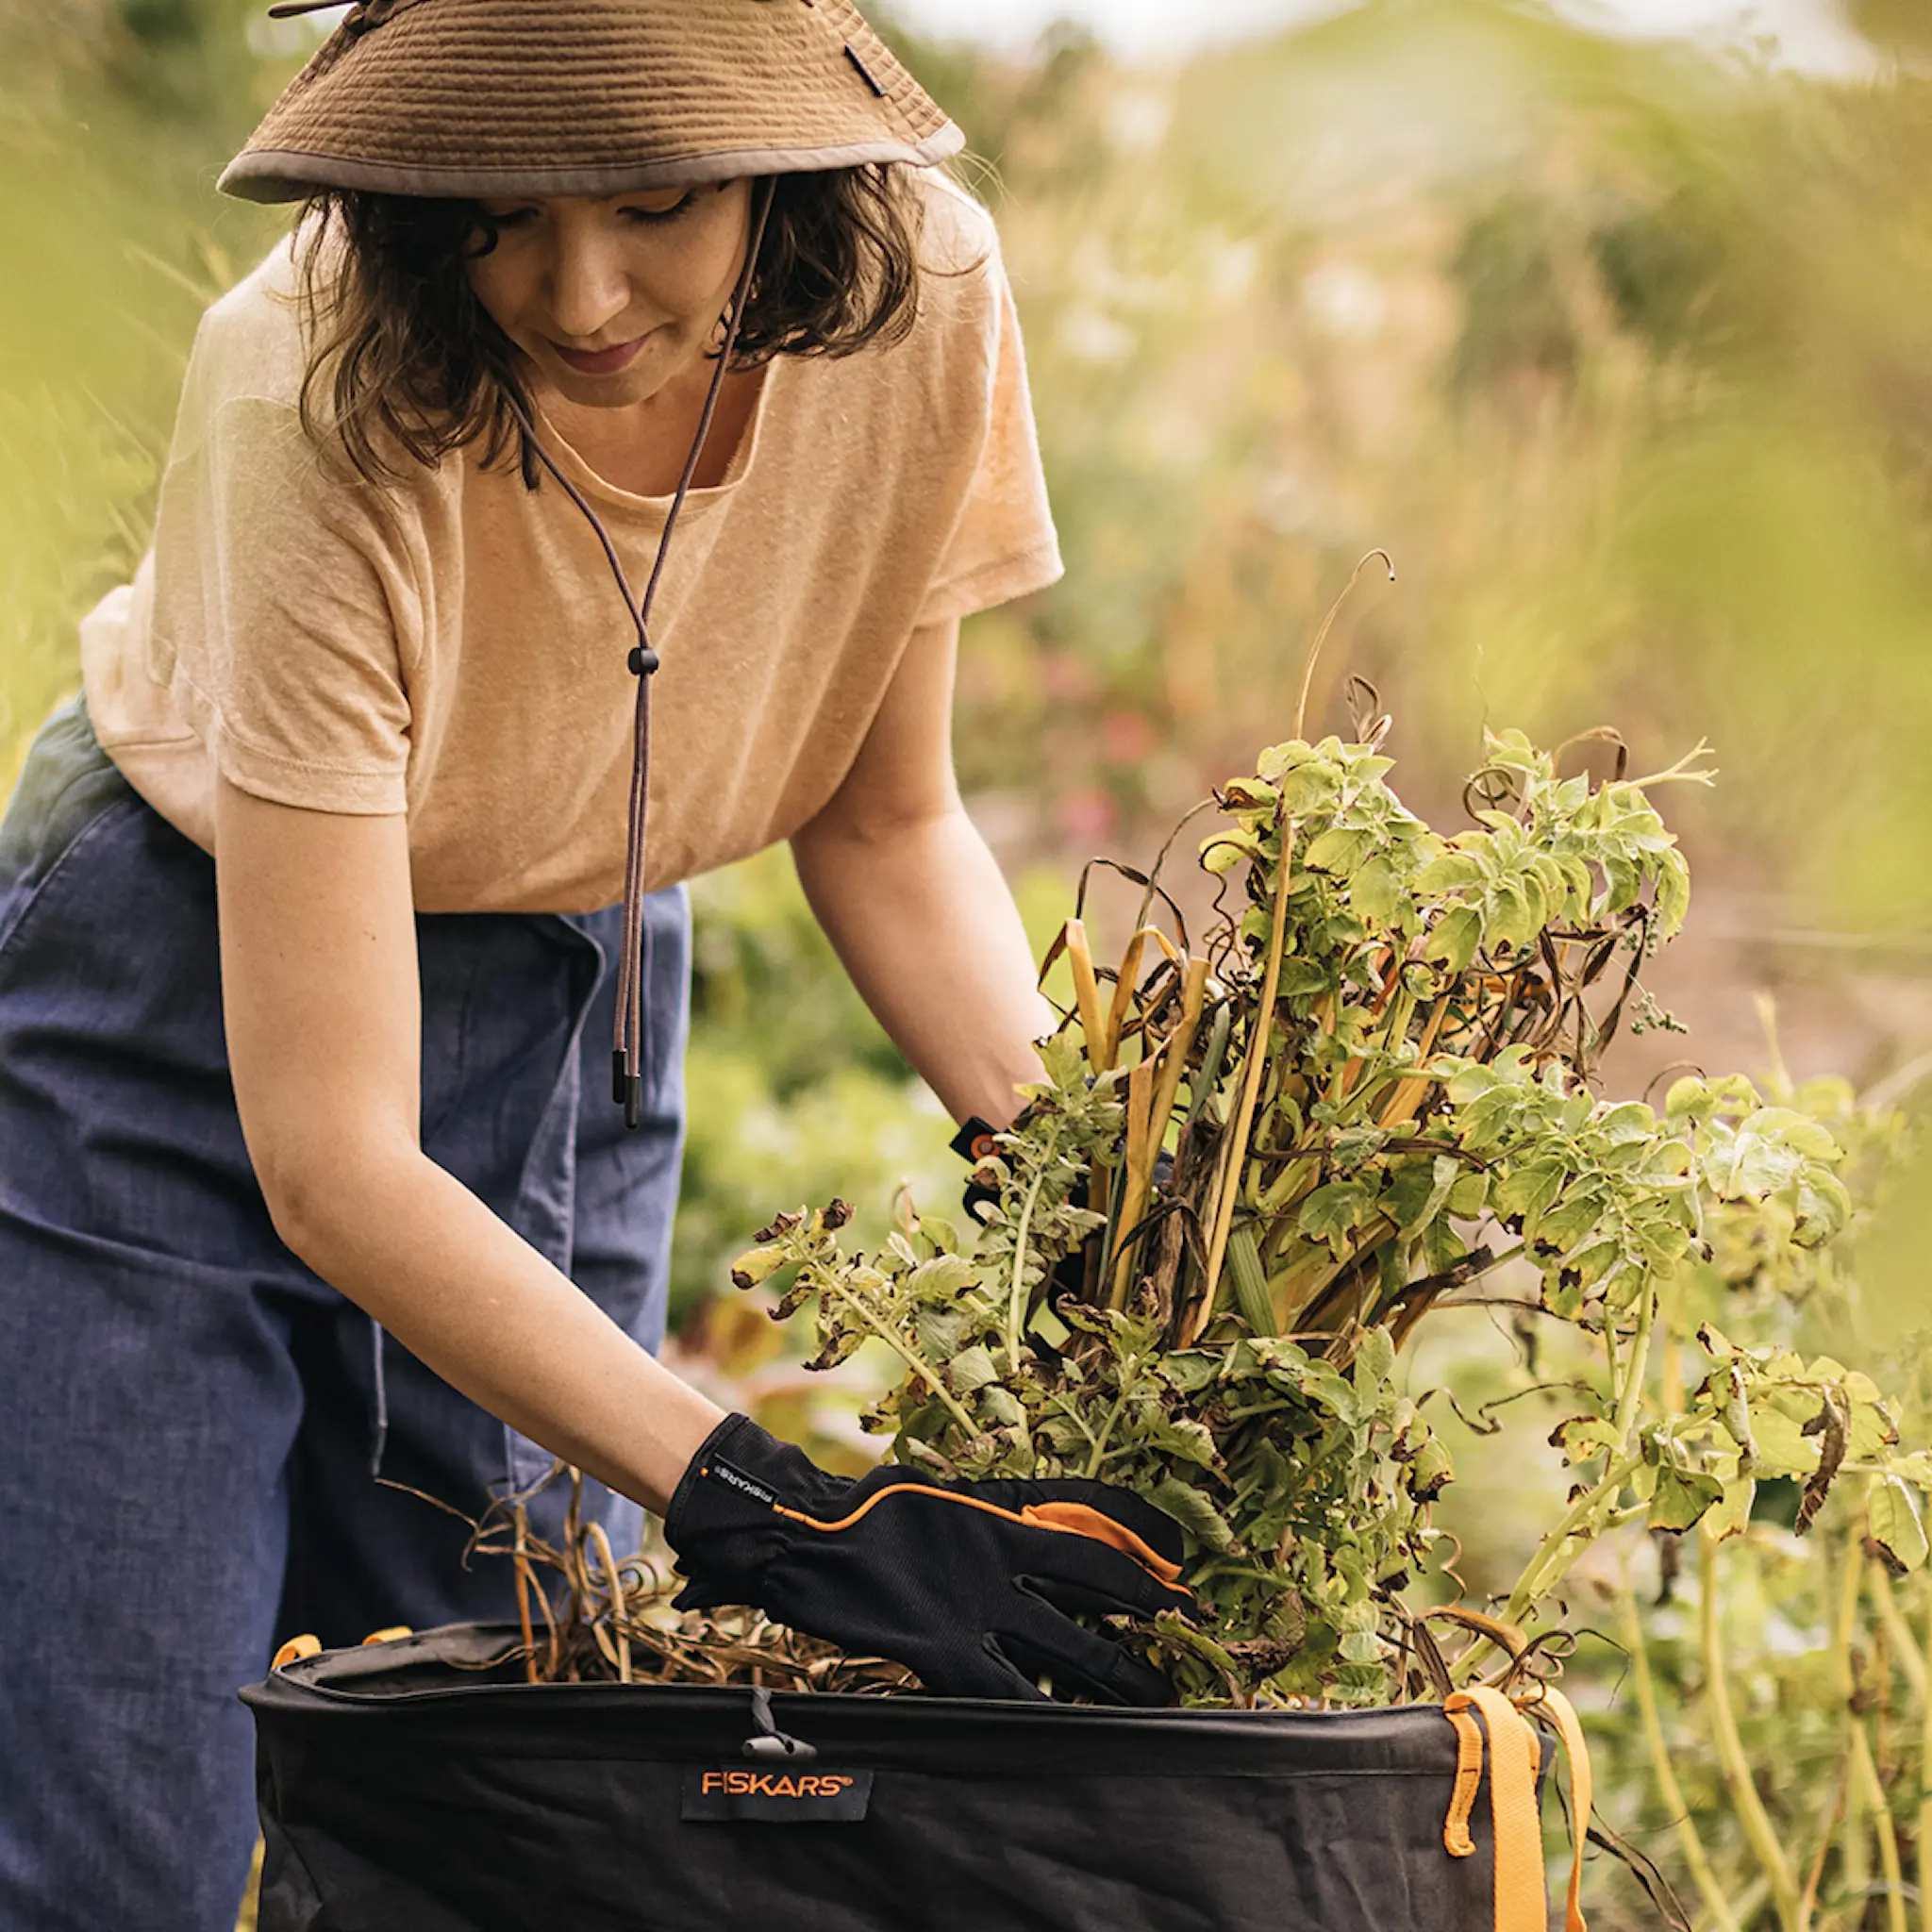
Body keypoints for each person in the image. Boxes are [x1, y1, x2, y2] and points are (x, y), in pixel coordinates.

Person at [0, 3, 1192, 1926]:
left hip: (580, 975)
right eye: (494, 212)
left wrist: (1104, 1204)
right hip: (181, 1014)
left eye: (654, 202)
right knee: (114, 1845)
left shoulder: (924, 299)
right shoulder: (307, 383)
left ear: (783, 170)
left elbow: (885, 824)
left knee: (512, 1815)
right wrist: (759, 1503)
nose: (579, 291)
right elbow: (337, 1160)